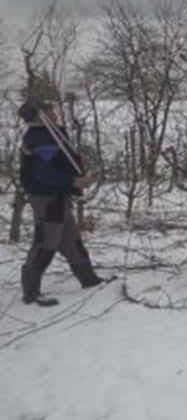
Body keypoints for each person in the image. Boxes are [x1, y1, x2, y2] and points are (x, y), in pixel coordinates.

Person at [18, 99, 105, 307]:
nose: (55, 114)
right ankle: (31, 292)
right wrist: (74, 181)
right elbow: (43, 173)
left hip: (60, 195)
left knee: (70, 240)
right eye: (49, 111)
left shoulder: (53, 132)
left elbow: (63, 162)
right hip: (47, 197)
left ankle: (89, 279)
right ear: (39, 116)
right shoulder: (39, 138)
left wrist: (76, 177)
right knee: (45, 243)